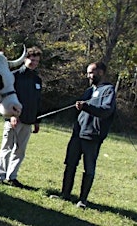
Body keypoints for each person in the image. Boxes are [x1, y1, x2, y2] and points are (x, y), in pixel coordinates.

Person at [50, 61, 117, 208]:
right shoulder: (88, 91)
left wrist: (86, 106)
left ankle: (82, 200)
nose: (88, 76)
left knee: (89, 168)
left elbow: (106, 110)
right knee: (70, 164)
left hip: (93, 136)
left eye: (91, 72)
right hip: (77, 134)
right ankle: (65, 194)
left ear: (100, 72)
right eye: (88, 73)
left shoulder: (108, 90)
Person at [0, 46, 42, 188]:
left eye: (36, 61)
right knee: (7, 148)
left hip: (28, 121)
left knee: (20, 151)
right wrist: (10, 117)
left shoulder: (37, 79)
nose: (33, 63)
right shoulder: (14, 76)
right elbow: (6, 98)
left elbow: (37, 102)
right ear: (25, 59)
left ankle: (12, 177)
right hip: (14, 120)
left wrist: (37, 120)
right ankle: (0, 176)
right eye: (32, 60)